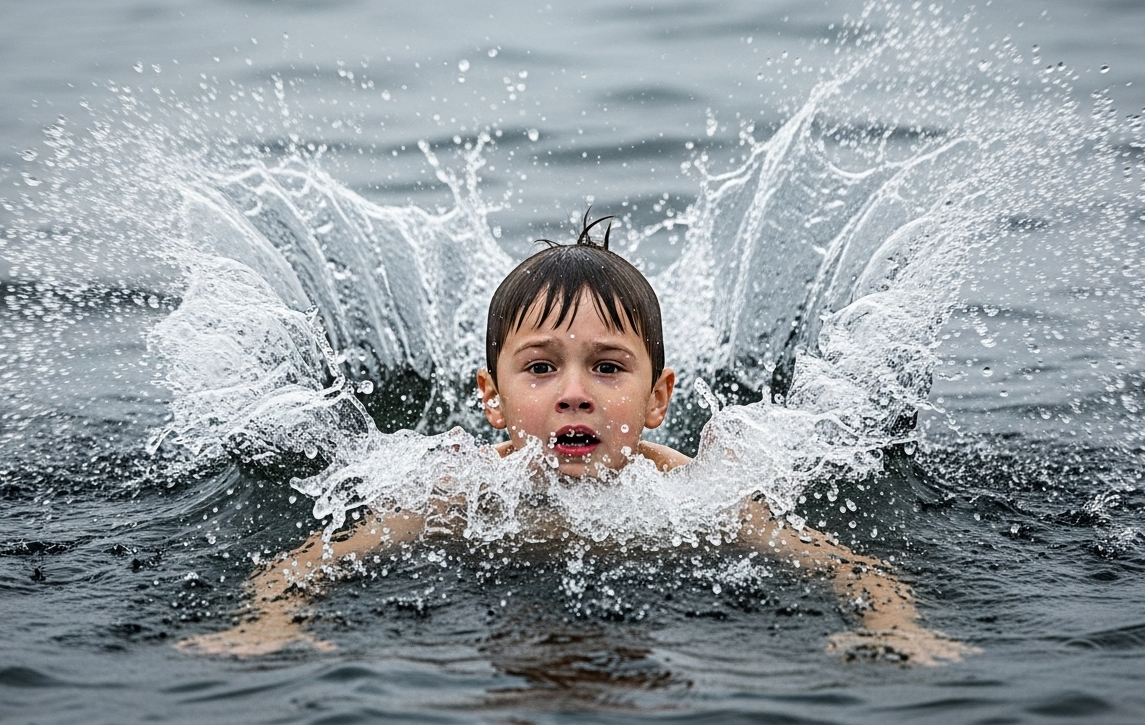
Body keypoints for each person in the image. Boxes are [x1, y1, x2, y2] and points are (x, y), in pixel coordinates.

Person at [180, 213, 975, 666]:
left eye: (606, 366)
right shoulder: (456, 494)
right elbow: (312, 563)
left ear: (658, 398)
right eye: (539, 368)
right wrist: (271, 623)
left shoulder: (701, 497)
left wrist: (891, 624)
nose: (573, 391)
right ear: (489, 400)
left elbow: (843, 565)